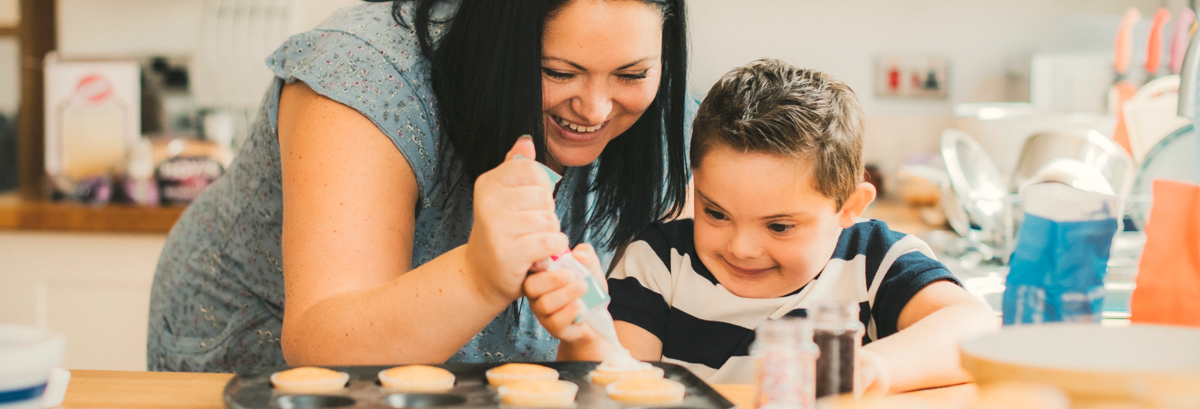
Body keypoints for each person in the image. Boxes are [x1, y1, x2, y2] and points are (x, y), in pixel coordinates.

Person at [147, 0, 694, 373]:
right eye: (558, 71)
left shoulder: (670, 126)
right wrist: (480, 277)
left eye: (631, 75)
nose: (595, 108)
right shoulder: (364, 79)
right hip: (253, 367)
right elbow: (324, 344)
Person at [526, 59, 998, 392]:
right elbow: (616, 383)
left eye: (779, 227)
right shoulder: (657, 263)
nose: (742, 248)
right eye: (715, 213)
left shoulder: (874, 260)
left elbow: (973, 328)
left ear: (849, 207)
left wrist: (871, 367)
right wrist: (585, 335)